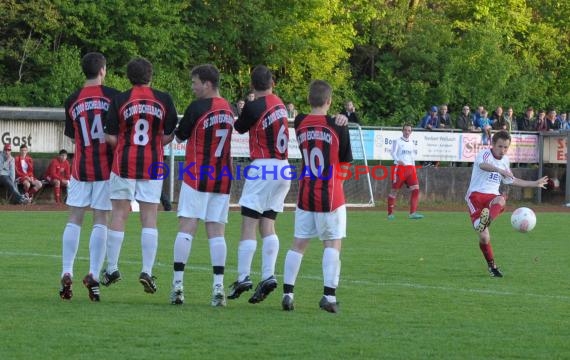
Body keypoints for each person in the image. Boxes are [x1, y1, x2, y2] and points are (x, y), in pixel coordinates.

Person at [102, 57, 179, 295]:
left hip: (124, 162)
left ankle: (112, 268)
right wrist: (154, 145)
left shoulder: (120, 99)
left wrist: (125, 147)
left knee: (119, 214)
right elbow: (169, 134)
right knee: (149, 217)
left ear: (128, 76)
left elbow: (110, 137)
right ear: (150, 75)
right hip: (153, 163)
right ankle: (146, 270)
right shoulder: (164, 99)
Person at [281, 79, 352, 313]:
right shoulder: (337, 125)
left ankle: (288, 292)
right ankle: (329, 296)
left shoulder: (300, 122)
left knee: (299, 243)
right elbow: (345, 162)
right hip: (330, 194)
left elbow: (309, 117)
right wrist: (343, 119)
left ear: (310, 100)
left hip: (305, 193)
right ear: (329, 101)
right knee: (332, 243)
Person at [169, 64, 235, 307]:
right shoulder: (228, 108)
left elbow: (179, 135)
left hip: (197, 174)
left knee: (187, 226)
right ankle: (218, 287)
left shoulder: (197, 107)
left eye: (195, 82)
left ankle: (178, 286)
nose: (193, 87)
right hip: (222, 176)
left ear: (207, 84)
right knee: (216, 232)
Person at [227, 65, 292, 304]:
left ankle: (243, 276)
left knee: (248, 224)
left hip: (263, 165)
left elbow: (240, 127)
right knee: (268, 224)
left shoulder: (255, 105)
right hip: (284, 167)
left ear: (253, 85)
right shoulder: (281, 103)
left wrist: (245, 106)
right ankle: (267, 275)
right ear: (272, 82)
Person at [59, 52, 121, 302]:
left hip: (80, 168)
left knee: (74, 218)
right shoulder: (113, 96)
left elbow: (73, 136)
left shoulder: (72, 100)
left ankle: (66, 270)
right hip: (105, 168)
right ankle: (94, 274)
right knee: (100, 220)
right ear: (103, 70)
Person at [465, 130, 548, 277]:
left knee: (501, 199)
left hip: (492, 197)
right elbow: (484, 165)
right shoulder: (484, 154)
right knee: (484, 238)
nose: (502, 150)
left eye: (505, 147)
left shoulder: (505, 160)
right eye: (500, 146)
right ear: (493, 144)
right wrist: (498, 169)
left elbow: (512, 179)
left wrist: (534, 183)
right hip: (475, 197)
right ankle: (492, 266)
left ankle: (486, 220)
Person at [387, 124, 424, 220]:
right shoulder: (397, 141)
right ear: (402, 131)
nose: (407, 132)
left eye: (409, 130)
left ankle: (412, 213)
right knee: (394, 190)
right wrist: (397, 159)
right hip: (400, 168)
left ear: (411, 132)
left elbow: (412, 156)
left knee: (416, 189)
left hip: (410, 168)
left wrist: (414, 168)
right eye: (405, 130)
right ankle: (390, 214)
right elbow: (392, 152)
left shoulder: (411, 142)